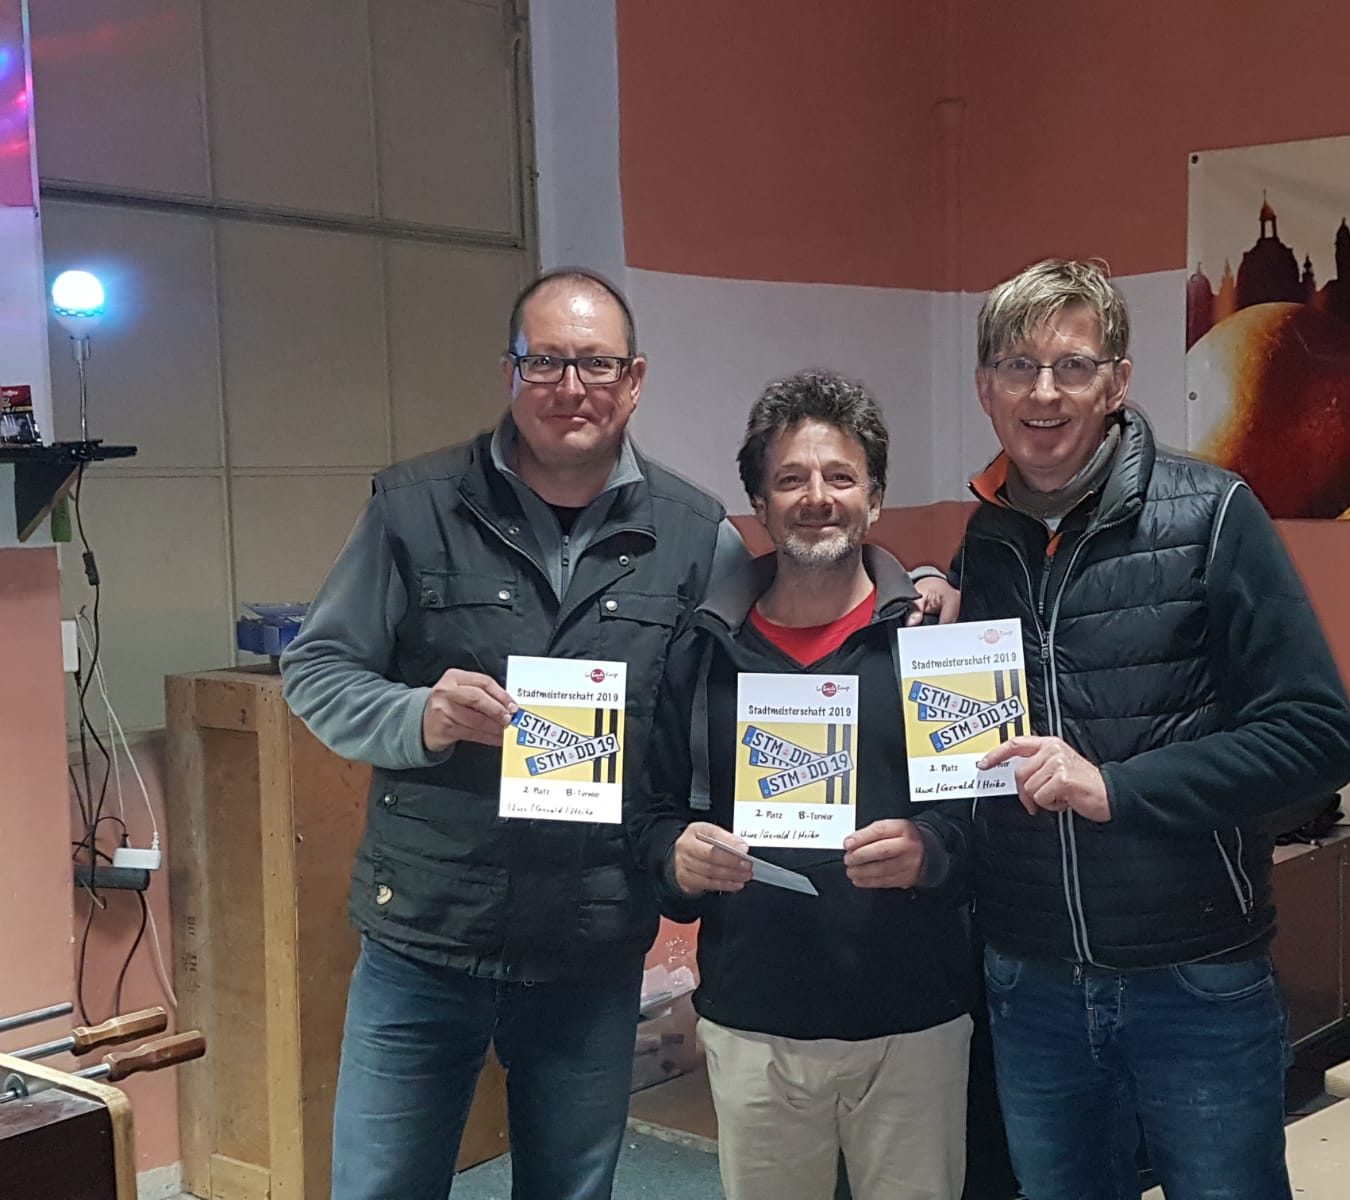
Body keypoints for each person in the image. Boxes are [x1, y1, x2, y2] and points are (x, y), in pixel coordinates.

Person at [281, 269, 955, 1200]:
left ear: (633, 380)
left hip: (590, 938)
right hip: (426, 932)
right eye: (547, 361)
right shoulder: (413, 507)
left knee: (572, 1187)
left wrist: (917, 581)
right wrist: (417, 717)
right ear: (511, 372)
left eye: (596, 364)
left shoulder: (693, 533)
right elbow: (316, 670)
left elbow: (800, 588)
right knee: (382, 1185)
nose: (572, 387)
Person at [956, 259, 1350, 1200]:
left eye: (1073, 365)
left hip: (1195, 982)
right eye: (1018, 367)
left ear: (1118, 381)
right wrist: (930, 589)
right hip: (1031, 980)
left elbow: (1316, 738)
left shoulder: (1213, 514)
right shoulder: (987, 541)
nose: (1044, 393)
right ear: (986, 388)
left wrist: (1116, 788)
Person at [632, 370, 976, 1200]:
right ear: (759, 503)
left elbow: (989, 822)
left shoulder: (937, 643)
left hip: (914, 1021)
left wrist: (931, 850)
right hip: (755, 1022)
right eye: (790, 479)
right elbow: (649, 816)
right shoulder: (703, 651)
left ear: (875, 499)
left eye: (840, 476)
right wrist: (677, 858)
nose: (817, 498)